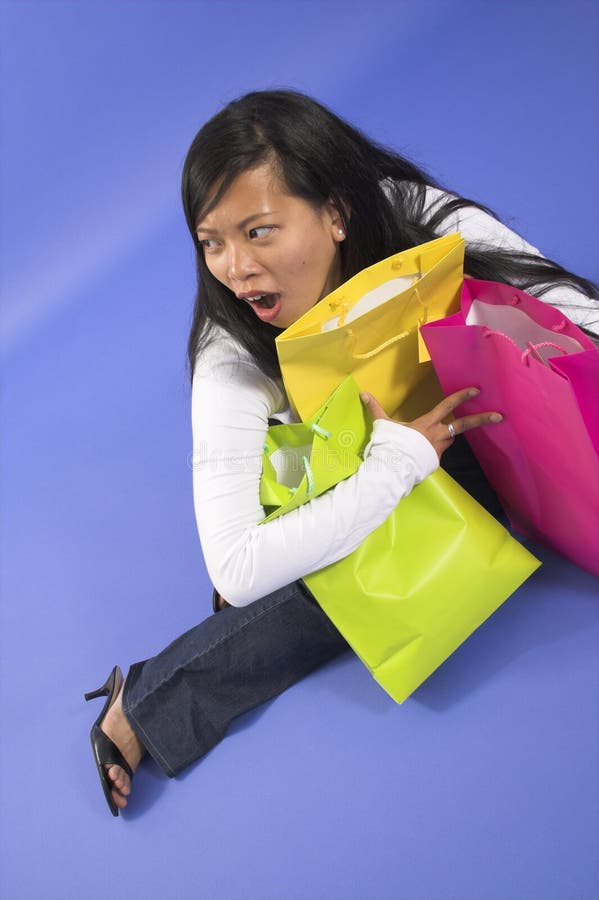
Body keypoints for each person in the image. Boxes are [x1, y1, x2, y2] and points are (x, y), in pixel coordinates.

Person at [84, 90, 599, 816]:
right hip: (333, 467)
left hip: (461, 422)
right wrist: (394, 463)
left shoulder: (415, 216)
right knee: (347, 567)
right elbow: (235, 566)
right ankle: (142, 706)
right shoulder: (229, 350)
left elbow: (564, 302)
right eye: (212, 241)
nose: (233, 268)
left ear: (335, 211)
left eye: (259, 232)